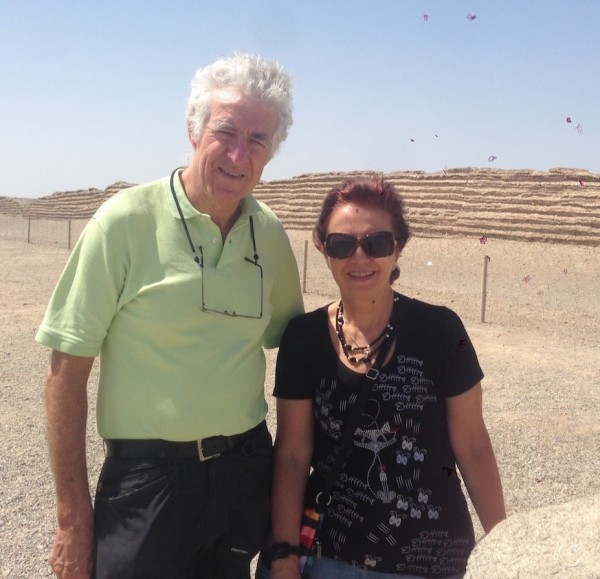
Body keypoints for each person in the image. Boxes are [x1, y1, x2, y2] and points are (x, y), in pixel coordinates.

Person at [35, 53, 304, 579]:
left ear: (272, 151)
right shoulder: (124, 221)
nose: (238, 153)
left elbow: (296, 346)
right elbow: (65, 373)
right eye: (225, 130)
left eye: (258, 139)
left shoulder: (268, 234)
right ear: (193, 128)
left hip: (243, 472)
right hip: (147, 481)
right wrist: (72, 519)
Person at [268, 178, 505, 578]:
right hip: (329, 554)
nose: (359, 258)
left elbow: (473, 446)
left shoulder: (441, 330)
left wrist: (506, 544)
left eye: (376, 243)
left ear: (399, 248)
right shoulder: (303, 338)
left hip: (432, 559)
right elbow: (292, 454)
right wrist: (284, 554)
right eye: (342, 244)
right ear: (322, 247)